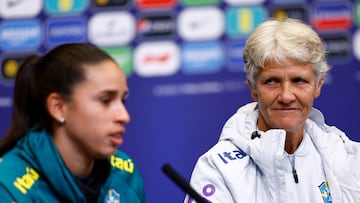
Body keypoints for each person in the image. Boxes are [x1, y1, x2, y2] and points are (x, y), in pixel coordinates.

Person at [184, 18, 360, 203]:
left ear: (318, 86)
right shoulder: (217, 168)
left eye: (298, 80)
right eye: (271, 81)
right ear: (253, 88)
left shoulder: (349, 159)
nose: (286, 96)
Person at [0, 43, 147, 203]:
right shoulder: (7, 187)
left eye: (122, 100)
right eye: (105, 101)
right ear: (58, 108)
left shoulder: (124, 173)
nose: (124, 116)